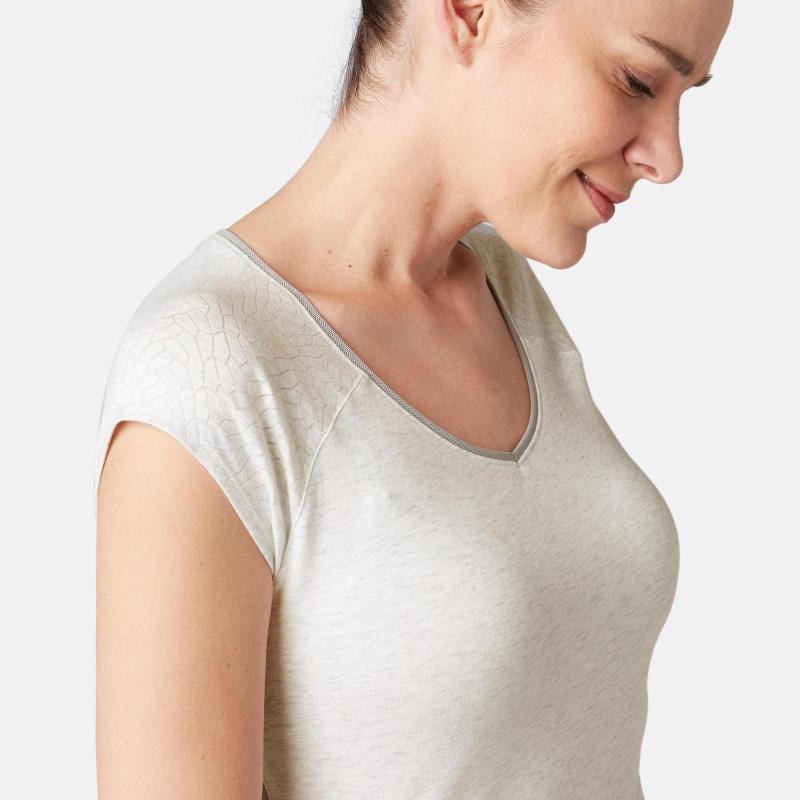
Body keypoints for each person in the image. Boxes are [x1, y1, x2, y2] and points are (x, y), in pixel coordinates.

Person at [94, 0, 733, 797]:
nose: (668, 157)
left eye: (686, 95)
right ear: (469, 12)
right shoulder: (211, 368)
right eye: (638, 81)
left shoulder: (503, 291)